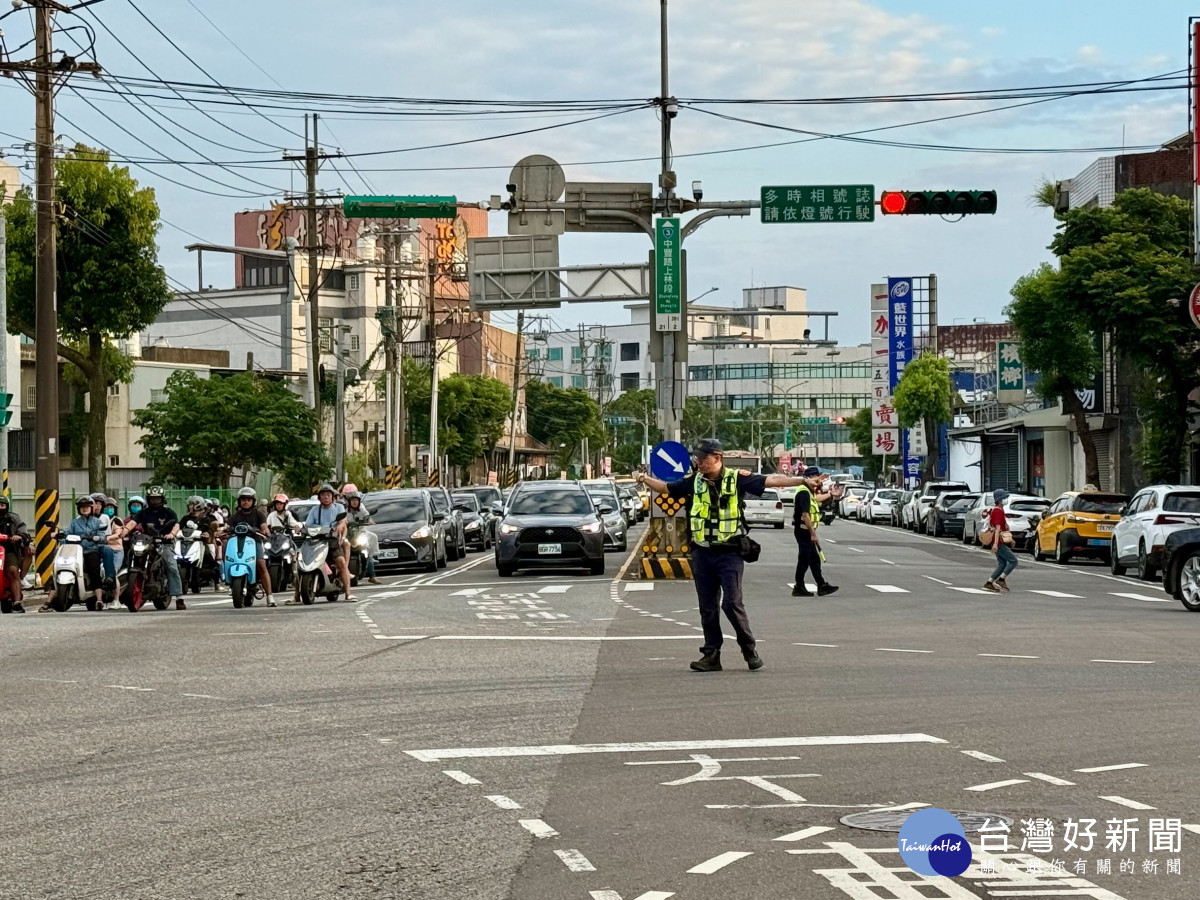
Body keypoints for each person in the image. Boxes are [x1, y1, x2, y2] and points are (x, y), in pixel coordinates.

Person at [638, 438, 813, 673]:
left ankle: (748, 648)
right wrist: (643, 479)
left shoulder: (737, 478)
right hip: (702, 553)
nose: (698, 462)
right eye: (697, 458)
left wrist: (802, 480)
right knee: (707, 607)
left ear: (717, 458)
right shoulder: (693, 482)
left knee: (731, 603)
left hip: (729, 553)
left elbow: (771, 480)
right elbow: (666, 488)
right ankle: (712, 654)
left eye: (703, 458)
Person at [121, 485, 185, 609]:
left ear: (162, 499)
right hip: (147, 542)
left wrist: (171, 534)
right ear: (148, 499)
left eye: (157, 499)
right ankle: (129, 587)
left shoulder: (168, 512)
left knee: (171, 565)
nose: (155, 501)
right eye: (152, 499)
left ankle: (179, 597)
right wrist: (125, 531)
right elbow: (133, 522)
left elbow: (176, 525)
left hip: (164, 543)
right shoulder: (143, 512)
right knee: (131, 555)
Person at [223, 487, 277, 606]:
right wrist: (222, 531)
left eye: (248, 499)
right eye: (243, 499)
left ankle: (270, 597)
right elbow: (227, 527)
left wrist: (265, 531)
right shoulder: (235, 516)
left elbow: (264, 526)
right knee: (228, 556)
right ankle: (226, 578)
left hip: (254, 541)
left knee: (261, 564)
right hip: (237, 542)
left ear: (253, 501)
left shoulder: (259, 514)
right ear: (239, 501)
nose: (246, 502)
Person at [792, 468, 839, 597]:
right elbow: (805, 515)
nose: (818, 482)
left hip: (805, 530)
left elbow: (818, 499)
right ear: (808, 478)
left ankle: (821, 585)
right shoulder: (803, 492)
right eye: (816, 479)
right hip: (803, 530)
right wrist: (812, 533)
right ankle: (799, 586)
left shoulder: (808, 491)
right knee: (805, 559)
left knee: (813, 559)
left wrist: (831, 495)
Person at [304, 482, 354, 602]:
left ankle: (348, 593)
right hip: (316, 541)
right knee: (301, 564)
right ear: (319, 497)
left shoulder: (339, 508)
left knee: (341, 562)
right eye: (323, 495)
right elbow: (308, 525)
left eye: (328, 495)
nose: (326, 497)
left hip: (332, 541)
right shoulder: (314, 510)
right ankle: (296, 596)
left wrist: (340, 526)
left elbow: (343, 521)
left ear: (332, 496)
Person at [65, 496, 113, 610]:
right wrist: (60, 534)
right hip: (76, 551)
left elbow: (102, 536)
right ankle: (50, 600)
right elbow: (67, 532)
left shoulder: (97, 522)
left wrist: (97, 538)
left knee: (94, 571)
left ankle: (99, 599)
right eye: (82, 507)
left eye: (87, 507)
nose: (84, 509)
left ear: (91, 508)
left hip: (91, 550)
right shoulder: (74, 522)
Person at [343, 487, 380, 585]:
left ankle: (372, 575)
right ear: (349, 501)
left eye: (356, 500)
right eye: (353, 500)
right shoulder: (343, 510)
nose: (355, 502)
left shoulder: (362, 509)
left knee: (372, 539)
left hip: (360, 532)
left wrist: (370, 521)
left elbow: (368, 517)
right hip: (348, 534)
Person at [0, 495, 30, 613]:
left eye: (2, 505)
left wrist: (19, 536)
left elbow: (23, 530)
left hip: (9, 551)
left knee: (12, 571)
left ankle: (17, 602)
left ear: (7, 506)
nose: (0, 507)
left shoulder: (14, 518)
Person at [984, 489, 1018, 593]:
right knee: (1013, 561)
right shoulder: (997, 511)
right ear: (999, 500)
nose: (1005, 500)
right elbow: (998, 528)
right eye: (1004, 498)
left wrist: (1010, 539)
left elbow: (1004, 528)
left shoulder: (998, 510)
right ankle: (1001, 580)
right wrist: (995, 544)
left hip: (999, 541)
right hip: (999, 542)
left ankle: (989, 583)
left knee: (1002, 563)